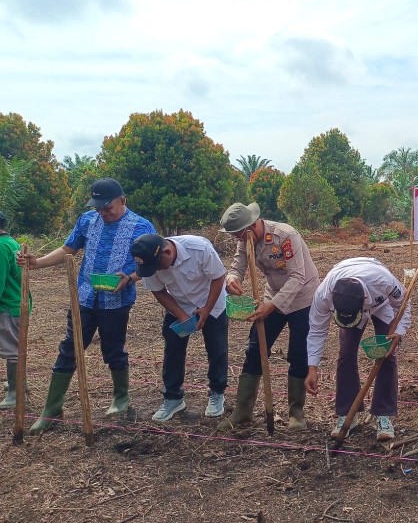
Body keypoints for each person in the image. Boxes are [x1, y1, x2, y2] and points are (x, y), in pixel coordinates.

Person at [16, 178, 156, 433]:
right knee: (69, 348)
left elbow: (148, 263)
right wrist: (38, 262)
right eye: (98, 207)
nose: (103, 212)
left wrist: (131, 278)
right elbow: (68, 248)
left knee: (113, 348)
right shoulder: (87, 220)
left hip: (117, 301)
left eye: (108, 207)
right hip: (84, 297)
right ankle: (52, 408)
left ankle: (121, 397)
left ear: (122, 201)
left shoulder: (141, 226)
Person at [217, 202, 320, 432]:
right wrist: (232, 279)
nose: (239, 240)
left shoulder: (286, 236)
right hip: (272, 296)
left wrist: (271, 306)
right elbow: (237, 266)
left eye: (240, 234)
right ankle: (243, 412)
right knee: (254, 350)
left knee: (298, 352)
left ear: (252, 225)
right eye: (235, 236)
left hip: (303, 298)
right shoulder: (245, 240)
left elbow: (297, 276)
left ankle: (296, 413)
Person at [305, 257, 410, 441]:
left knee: (386, 352)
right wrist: (312, 367)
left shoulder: (384, 281)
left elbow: (404, 303)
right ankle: (347, 414)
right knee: (346, 352)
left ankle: (383, 414)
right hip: (349, 300)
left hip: (381, 303)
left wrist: (399, 332)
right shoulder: (324, 294)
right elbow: (317, 329)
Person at [130, 233, 228, 422]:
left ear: (167, 253)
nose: (156, 270)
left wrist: (207, 309)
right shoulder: (151, 260)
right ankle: (173, 398)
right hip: (178, 304)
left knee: (217, 349)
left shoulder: (199, 248)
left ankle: (217, 393)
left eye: (157, 266)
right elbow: (158, 290)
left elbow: (218, 277)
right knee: (173, 350)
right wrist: (181, 314)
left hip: (212, 302)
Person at [0, 211, 23, 409]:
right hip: (16, 302)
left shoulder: (0, 247)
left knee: (12, 350)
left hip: (7, 305)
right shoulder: (11, 242)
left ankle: (15, 393)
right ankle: (17, 383)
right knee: (14, 346)